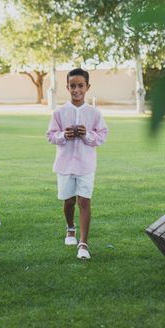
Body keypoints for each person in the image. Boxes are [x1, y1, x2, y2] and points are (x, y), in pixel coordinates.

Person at [46, 68, 108, 260]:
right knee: (69, 201)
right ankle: (70, 228)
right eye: (72, 86)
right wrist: (64, 134)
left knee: (84, 201)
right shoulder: (59, 112)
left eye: (80, 86)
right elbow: (50, 135)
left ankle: (83, 243)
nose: (76, 89)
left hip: (86, 165)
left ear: (87, 87)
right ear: (67, 87)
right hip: (65, 165)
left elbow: (102, 137)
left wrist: (86, 134)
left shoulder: (94, 113)